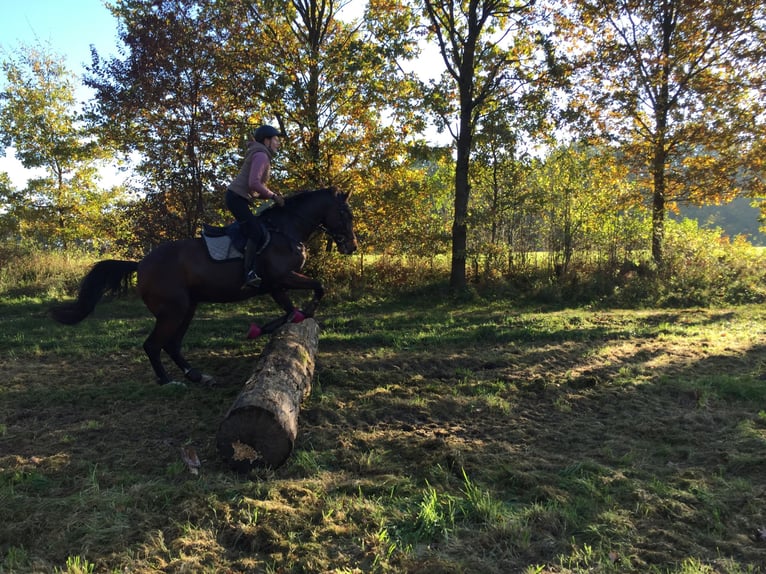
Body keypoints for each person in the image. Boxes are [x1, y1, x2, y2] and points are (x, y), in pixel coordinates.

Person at [225, 125, 286, 287]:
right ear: (267, 141)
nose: (278, 143)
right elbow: (254, 183)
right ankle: (248, 273)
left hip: (238, 198)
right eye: (276, 140)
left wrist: (272, 196)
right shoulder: (261, 156)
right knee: (256, 231)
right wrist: (272, 195)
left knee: (253, 228)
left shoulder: (261, 154)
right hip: (236, 199)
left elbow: (253, 188)